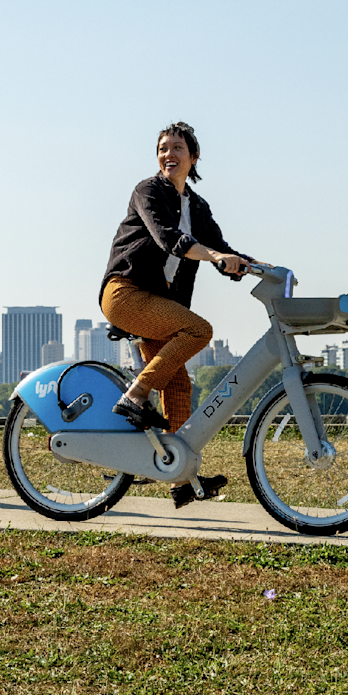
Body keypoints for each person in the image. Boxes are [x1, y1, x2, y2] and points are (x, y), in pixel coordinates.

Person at [99, 121, 254, 507]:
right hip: (126, 293)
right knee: (199, 330)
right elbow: (169, 239)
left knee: (180, 385)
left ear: (194, 157)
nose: (169, 154)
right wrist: (216, 255)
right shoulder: (148, 191)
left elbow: (220, 248)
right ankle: (135, 397)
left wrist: (258, 266)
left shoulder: (197, 207)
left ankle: (179, 477)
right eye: (163, 148)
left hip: (160, 305)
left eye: (177, 148)